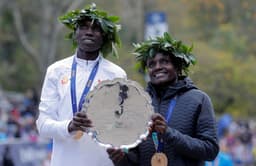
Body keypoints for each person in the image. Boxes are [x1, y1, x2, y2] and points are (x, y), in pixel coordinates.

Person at [108, 32, 219, 165]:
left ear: (178, 66)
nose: (158, 67)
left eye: (164, 62)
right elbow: (134, 157)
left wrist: (168, 133)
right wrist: (120, 158)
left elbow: (210, 150)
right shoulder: (136, 102)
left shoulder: (199, 100)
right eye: (151, 64)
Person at [36, 3, 126, 166]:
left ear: (105, 37)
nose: (89, 32)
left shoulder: (116, 74)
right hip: (64, 161)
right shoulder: (55, 71)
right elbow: (42, 125)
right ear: (75, 33)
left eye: (96, 29)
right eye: (83, 27)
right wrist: (70, 126)